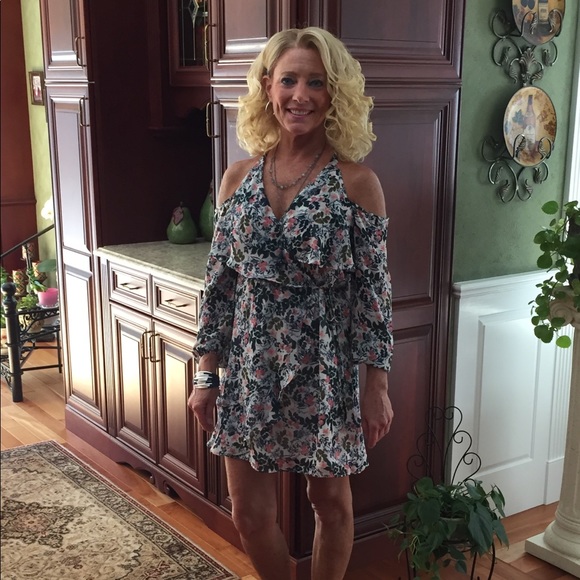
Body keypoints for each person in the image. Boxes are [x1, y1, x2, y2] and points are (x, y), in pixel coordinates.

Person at [188, 26, 394, 580]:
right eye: (288, 80)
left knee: (331, 504)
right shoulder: (236, 179)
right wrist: (206, 374)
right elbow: (220, 287)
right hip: (249, 368)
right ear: (267, 87)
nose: (300, 95)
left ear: (334, 94)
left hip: (321, 370)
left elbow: (373, 298)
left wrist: (376, 386)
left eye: (316, 82)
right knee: (249, 514)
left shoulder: (358, 183)